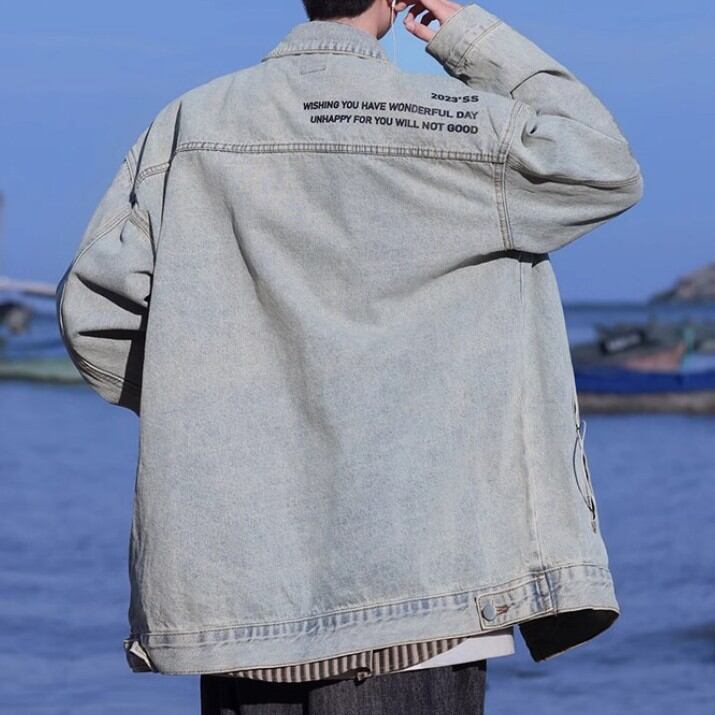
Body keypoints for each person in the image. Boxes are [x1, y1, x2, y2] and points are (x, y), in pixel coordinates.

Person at [55, 1, 644, 713]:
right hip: (428, 594)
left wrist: (206, 399)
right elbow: (602, 164)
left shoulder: (190, 125)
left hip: (248, 602)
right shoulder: (467, 126)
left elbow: (94, 314)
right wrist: (469, 35)